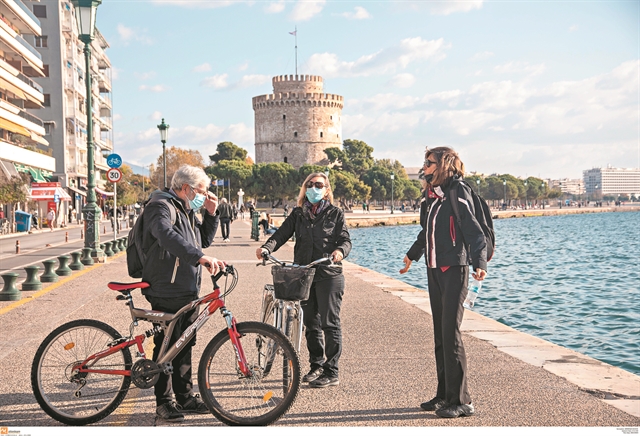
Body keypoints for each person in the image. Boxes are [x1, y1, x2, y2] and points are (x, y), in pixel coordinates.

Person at [400, 147, 487, 419]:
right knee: (440, 334)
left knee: (451, 334)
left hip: (454, 269)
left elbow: (474, 230)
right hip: (434, 269)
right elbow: (426, 231)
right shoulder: (431, 196)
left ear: (443, 164)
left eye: (429, 162)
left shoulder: (457, 191)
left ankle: (462, 401)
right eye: (424, 162)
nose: (424, 167)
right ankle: (444, 394)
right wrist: (411, 256)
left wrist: (479, 263)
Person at [140, 165, 225, 422]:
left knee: (185, 341)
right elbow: (165, 235)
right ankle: (164, 401)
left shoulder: (186, 210)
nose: (205, 195)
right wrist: (199, 258)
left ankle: (185, 396)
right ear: (186, 188)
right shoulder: (161, 206)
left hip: (187, 287)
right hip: (166, 286)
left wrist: (211, 214)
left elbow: (202, 241)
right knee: (166, 345)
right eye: (202, 191)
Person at [255, 172, 351, 388]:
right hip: (304, 274)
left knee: (330, 323)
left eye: (319, 185)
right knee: (311, 323)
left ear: (326, 190)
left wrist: (339, 252)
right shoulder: (298, 214)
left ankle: (331, 371)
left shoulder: (335, 213)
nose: (314, 188)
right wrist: (266, 248)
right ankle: (316, 365)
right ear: (305, 188)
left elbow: (345, 240)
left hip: (328, 273)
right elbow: (281, 234)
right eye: (310, 184)